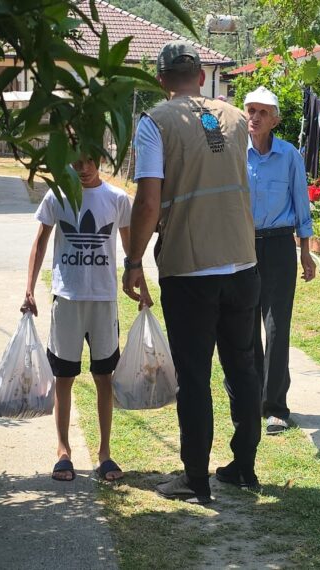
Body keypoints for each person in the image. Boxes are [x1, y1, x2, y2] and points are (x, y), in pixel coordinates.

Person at [123, 41, 262, 504]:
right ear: (201, 76)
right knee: (242, 367)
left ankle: (196, 478)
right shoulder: (239, 119)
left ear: (161, 80)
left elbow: (147, 202)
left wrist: (133, 259)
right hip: (243, 261)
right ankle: (244, 467)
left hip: (190, 266)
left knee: (195, 377)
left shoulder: (154, 123)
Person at [22, 158, 131, 483]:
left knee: (104, 376)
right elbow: (40, 242)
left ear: (100, 159)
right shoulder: (57, 196)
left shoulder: (117, 199)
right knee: (64, 377)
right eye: (76, 161)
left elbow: (130, 249)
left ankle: (105, 453)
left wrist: (135, 280)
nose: (83, 167)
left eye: (89, 161)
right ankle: (63, 451)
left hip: (103, 300)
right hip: (66, 299)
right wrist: (28, 288)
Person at [243, 87, 316, 435]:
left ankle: (275, 406)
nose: (254, 117)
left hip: (278, 247)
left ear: (274, 119)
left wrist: (306, 251)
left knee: (276, 326)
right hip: (242, 247)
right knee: (245, 326)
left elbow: (301, 204)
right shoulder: (234, 155)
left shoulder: (289, 156)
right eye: (250, 110)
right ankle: (254, 396)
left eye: (261, 112)